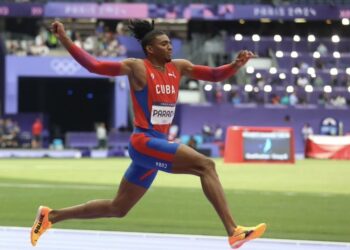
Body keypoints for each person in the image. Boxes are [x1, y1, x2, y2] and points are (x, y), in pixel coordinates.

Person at [31, 20, 266, 249]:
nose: (170, 47)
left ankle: (50, 216)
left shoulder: (179, 66)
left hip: (157, 144)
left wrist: (235, 65)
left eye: (170, 43)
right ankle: (233, 231)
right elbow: (94, 66)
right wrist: (63, 37)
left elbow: (214, 75)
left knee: (118, 208)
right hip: (144, 141)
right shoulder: (137, 67)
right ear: (150, 49)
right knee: (205, 165)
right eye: (164, 44)